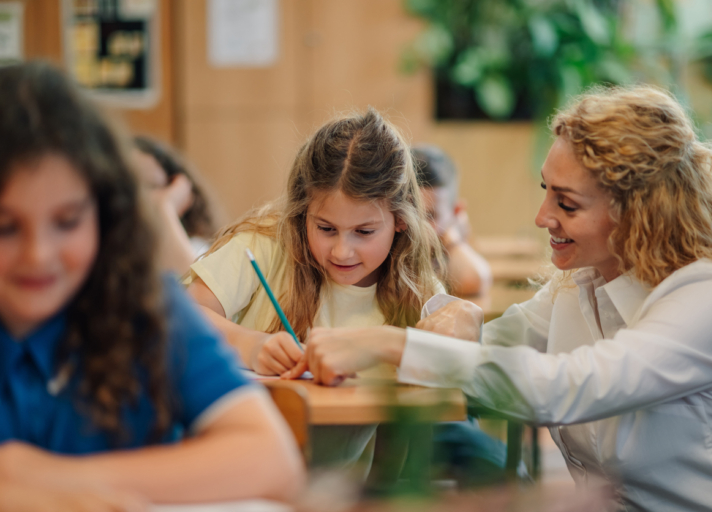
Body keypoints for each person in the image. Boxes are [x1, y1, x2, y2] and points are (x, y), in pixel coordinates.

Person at [289, 86, 712, 511]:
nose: (542, 217)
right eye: (547, 192)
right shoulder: (579, 288)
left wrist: (392, 344)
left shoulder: (709, 296)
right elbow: (481, 349)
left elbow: (562, 388)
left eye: (567, 203)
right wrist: (454, 319)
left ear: (638, 211)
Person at [0, 62, 305, 505]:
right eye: (5, 228)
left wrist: (45, 477)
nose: (38, 255)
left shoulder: (147, 309)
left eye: (68, 222)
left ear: (106, 216)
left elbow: (272, 462)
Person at [186, 108, 445, 468]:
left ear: (400, 221)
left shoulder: (415, 288)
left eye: (364, 232)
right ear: (303, 211)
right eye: (325, 229)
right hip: (237, 472)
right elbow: (181, 316)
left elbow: (447, 366)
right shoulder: (266, 244)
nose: (341, 250)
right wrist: (250, 344)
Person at [133, 136, 220, 275]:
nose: (141, 199)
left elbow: (191, 293)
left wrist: (164, 206)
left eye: (150, 186)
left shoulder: (197, 249)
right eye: (128, 187)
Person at [413, 144, 491, 296]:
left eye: (430, 216)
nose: (418, 227)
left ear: (456, 213)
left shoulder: (447, 250)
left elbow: (473, 279)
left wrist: (452, 239)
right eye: (411, 213)